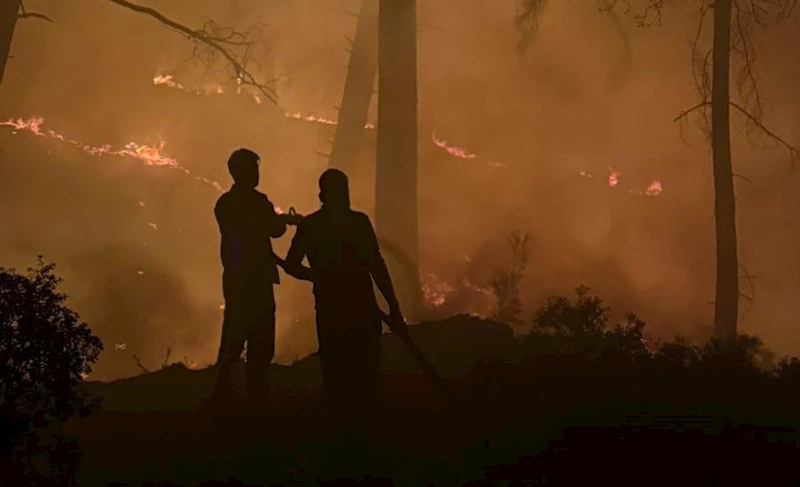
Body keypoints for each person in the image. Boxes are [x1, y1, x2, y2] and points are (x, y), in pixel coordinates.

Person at [283, 168, 407, 423]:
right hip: (359, 306)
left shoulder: (312, 226)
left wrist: (315, 276)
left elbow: (292, 265)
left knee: (340, 369)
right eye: (342, 191)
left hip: (336, 308)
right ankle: (358, 425)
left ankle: (347, 425)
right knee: (362, 369)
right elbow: (377, 267)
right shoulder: (357, 223)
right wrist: (393, 307)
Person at [211, 148, 289, 406]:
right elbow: (274, 229)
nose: (257, 174)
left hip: (234, 277)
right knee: (262, 335)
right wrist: (284, 222)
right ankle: (257, 391)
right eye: (254, 169)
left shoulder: (223, 204)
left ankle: (223, 389)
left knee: (233, 331)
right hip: (257, 277)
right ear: (243, 172)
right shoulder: (258, 201)